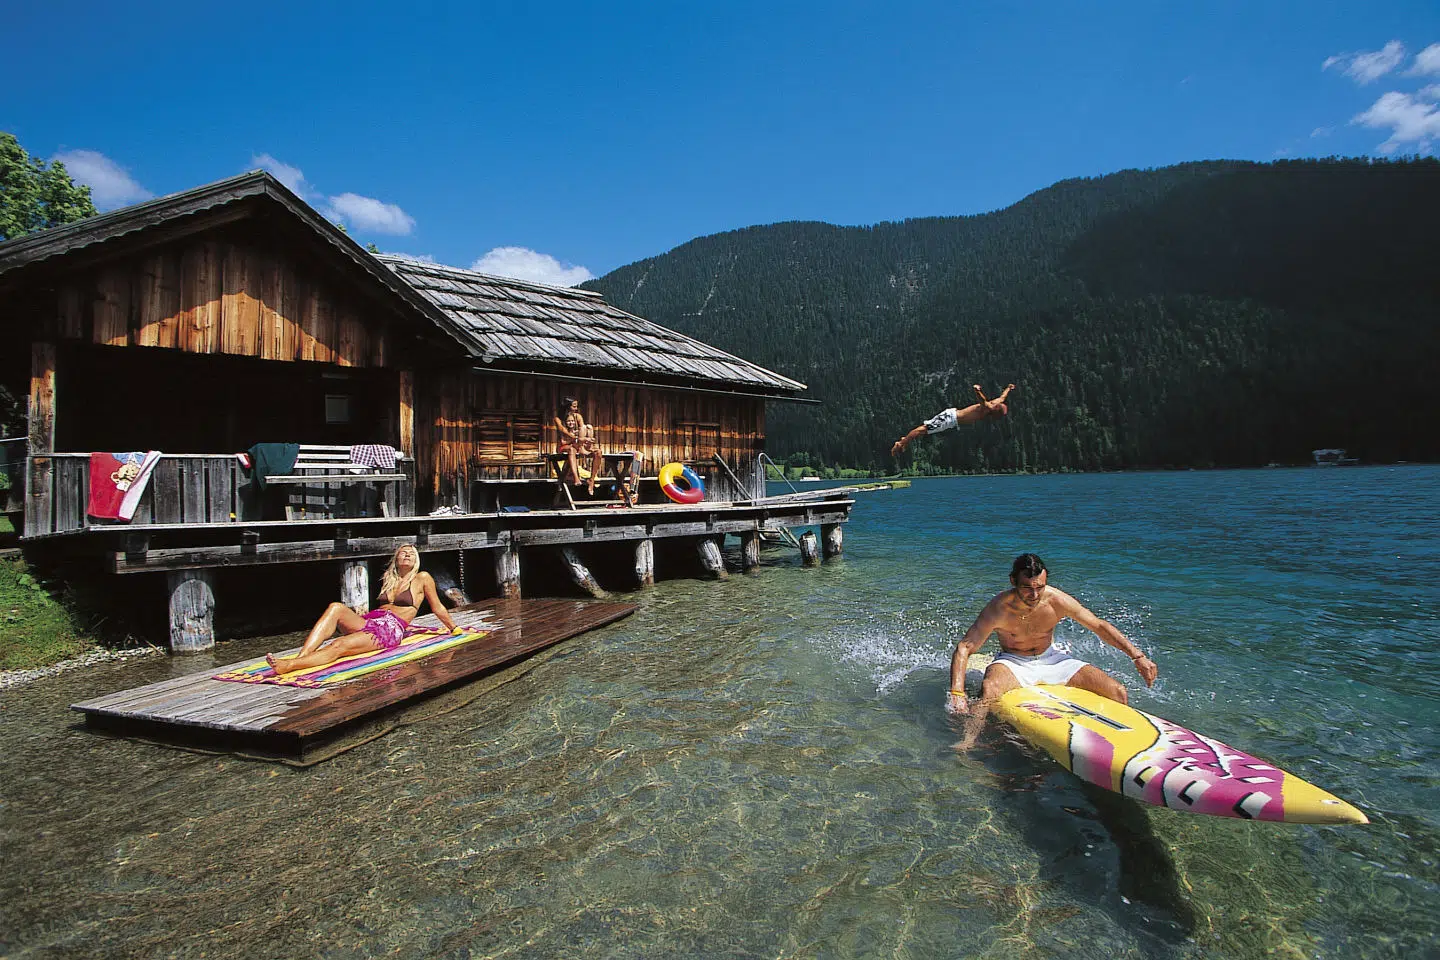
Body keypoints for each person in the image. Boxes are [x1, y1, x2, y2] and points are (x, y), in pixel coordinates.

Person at [946, 553, 1159, 747]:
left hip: (1052, 659)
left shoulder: (1057, 600)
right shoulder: (999, 608)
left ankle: (1125, 747)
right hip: (1013, 662)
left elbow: (1099, 626)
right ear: (1013, 581)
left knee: (1117, 692)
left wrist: (1137, 656)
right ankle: (967, 742)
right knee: (989, 690)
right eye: (1027, 588)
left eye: (1040, 587)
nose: (1035, 594)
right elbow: (965, 647)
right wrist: (957, 692)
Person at [265, 544, 461, 675]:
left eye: (411, 553)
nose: (407, 554)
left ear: (416, 560)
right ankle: (303, 655)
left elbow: (437, 607)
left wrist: (453, 628)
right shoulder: (388, 577)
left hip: (389, 629)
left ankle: (290, 666)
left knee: (339, 644)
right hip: (370, 621)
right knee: (335, 607)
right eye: (403, 552)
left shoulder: (422, 578)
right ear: (396, 557)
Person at [891, 383, 1016, 458]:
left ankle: (904, 441)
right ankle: (901, 443)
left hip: (952, 417)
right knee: (922, 430)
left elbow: (1002, 397)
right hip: (950, 419)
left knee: (924, 429)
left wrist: (1009, 388)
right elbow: (982, 400)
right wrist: (977, 390)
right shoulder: (987, 408)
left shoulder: (994, 403)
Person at [555, 396, 604, 495]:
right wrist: (576, 438)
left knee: (598, 452)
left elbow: (583, 428)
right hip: (565, 445)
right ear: (567, 407)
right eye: (574, 406)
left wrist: (588, 439)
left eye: (576, 406)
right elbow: (563, 431)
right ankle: (576, 477)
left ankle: (592, 479)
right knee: (572, 449)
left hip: (578, 444)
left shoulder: (578, 417)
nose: (576, 408)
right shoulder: (558, 419)